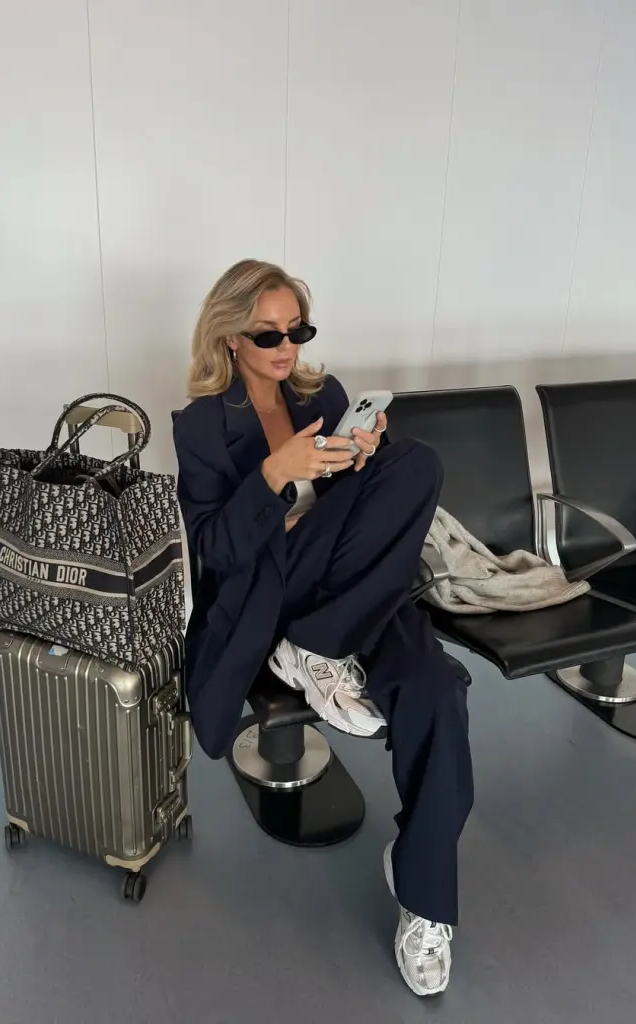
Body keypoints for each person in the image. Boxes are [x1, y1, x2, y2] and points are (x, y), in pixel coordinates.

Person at [173, 259, 474, 998]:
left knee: (437, 690)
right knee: (406, 467)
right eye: (268, 333)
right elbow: (215, 551)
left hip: (354, 592)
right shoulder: (204, 425)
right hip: (269, 596)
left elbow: (358, 513)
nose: (287, 346)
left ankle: (424, 899)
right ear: (231, 337)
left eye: (298, 330)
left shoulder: (325, 394)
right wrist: (276, 474)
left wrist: (359, 460)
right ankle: (312, 647)